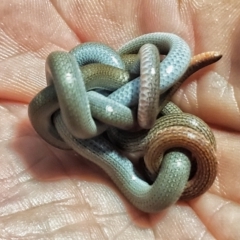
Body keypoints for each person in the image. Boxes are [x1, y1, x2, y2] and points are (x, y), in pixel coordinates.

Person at [0, 0, 239, 239]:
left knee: (111, 118)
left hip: (109, 116)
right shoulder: (84, 114)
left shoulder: (85, 115)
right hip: (105, 116)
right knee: (103, 119)